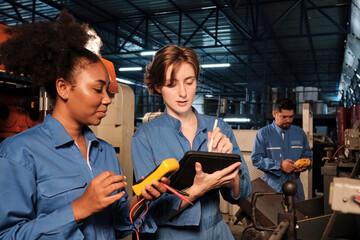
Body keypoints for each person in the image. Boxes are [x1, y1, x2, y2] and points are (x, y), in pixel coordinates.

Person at [0, 10, 168, 239]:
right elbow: (8, 235)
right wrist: (80, 208)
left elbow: (118, 223)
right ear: (63, 88)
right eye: (98, 89)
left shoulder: (106, 152)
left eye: (107, 91)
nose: (107, 99)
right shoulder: (19, 153)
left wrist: (141, 200)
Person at [131, 45, 251, 239]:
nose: (183, 93)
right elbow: (151, 212)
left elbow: (243, 194)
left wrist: (231, 174)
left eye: (189, 82)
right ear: (157, 86)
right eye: (172, 84)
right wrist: (197, 190)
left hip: (218, 233)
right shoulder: (144, 138)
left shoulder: (219, 127)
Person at [251, 98, 312, 201]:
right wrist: (279, 165)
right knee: (272, 215)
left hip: (295, 188)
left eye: (291, 117)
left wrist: (305, 165)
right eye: (284, 117)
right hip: (272, 188)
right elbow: (256, 160)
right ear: (274, 113)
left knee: (298, 214)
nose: (288, 120)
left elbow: (308, 156)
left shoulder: (300, 133)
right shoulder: (263, 134)